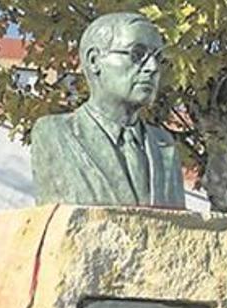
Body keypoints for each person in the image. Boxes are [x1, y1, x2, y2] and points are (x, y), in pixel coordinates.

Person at [30, 12, 186, 208]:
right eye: (137, 54)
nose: (152, 67)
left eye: (158, 57)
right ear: (94, 61)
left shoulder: (165, 145)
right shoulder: (55, 134)